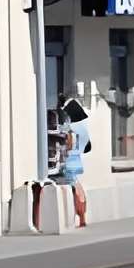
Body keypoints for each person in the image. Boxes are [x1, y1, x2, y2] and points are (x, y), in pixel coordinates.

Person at [34, 98, 91, 230]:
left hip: (61, 162)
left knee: (68, 186)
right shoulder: (72, 115)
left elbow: (72, 141)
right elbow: (82, 142)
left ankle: (38, 223)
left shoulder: (65, 116)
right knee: (75, 186)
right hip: (68, 160)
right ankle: (81, 218)